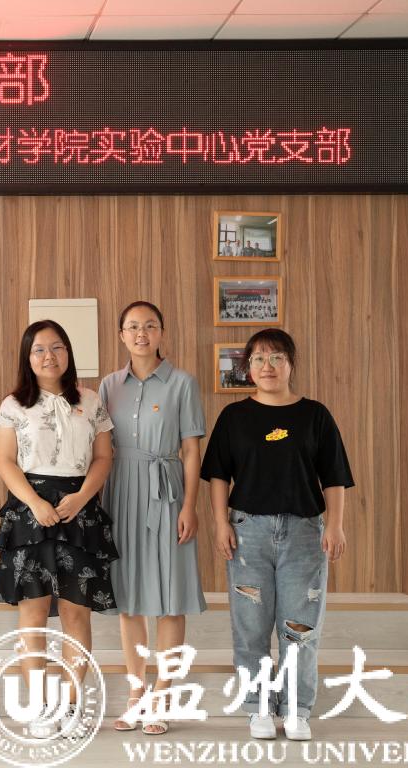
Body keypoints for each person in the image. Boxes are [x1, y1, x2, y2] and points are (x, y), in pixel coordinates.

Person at [201, 328, 353, 743]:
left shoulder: (315, 415)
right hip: (247, 533)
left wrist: (335, 524)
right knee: (250, 628)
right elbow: (218, 475)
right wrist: (220, 523)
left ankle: (297, 709)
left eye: (277, 358)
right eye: (258, 359)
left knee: (300, 628)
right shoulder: (234, 417)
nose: (267, 366)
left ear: (291, 364)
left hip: (304, 533)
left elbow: (334, 476)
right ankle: (259, 707)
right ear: (248, 368)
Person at [0, 319, 118, 737]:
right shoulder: (13, 405)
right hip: (31, 511)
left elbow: (103, 457)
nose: (49, 356)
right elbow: (5, 461)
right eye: (39, 349)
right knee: (34, 613)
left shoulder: (91, 401)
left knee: (77, 613)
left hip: (80, 509)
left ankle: (72, 705)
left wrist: (81, 499)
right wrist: (35, 503)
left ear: (68, 353)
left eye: (57, 347)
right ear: (28, 358)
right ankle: (41, 707)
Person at [100, 301, 205, 735]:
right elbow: (101, 448)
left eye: (149, 326)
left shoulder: (182, 383)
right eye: (132, 327)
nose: (141, 333)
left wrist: (189, 505)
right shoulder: (109, 385)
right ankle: (135, 692)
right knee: (128, 598)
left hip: (167, 492)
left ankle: (163, 695)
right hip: (120, 489)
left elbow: (192, 449)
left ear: (161, 332)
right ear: (121, 335)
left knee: (170, 596)